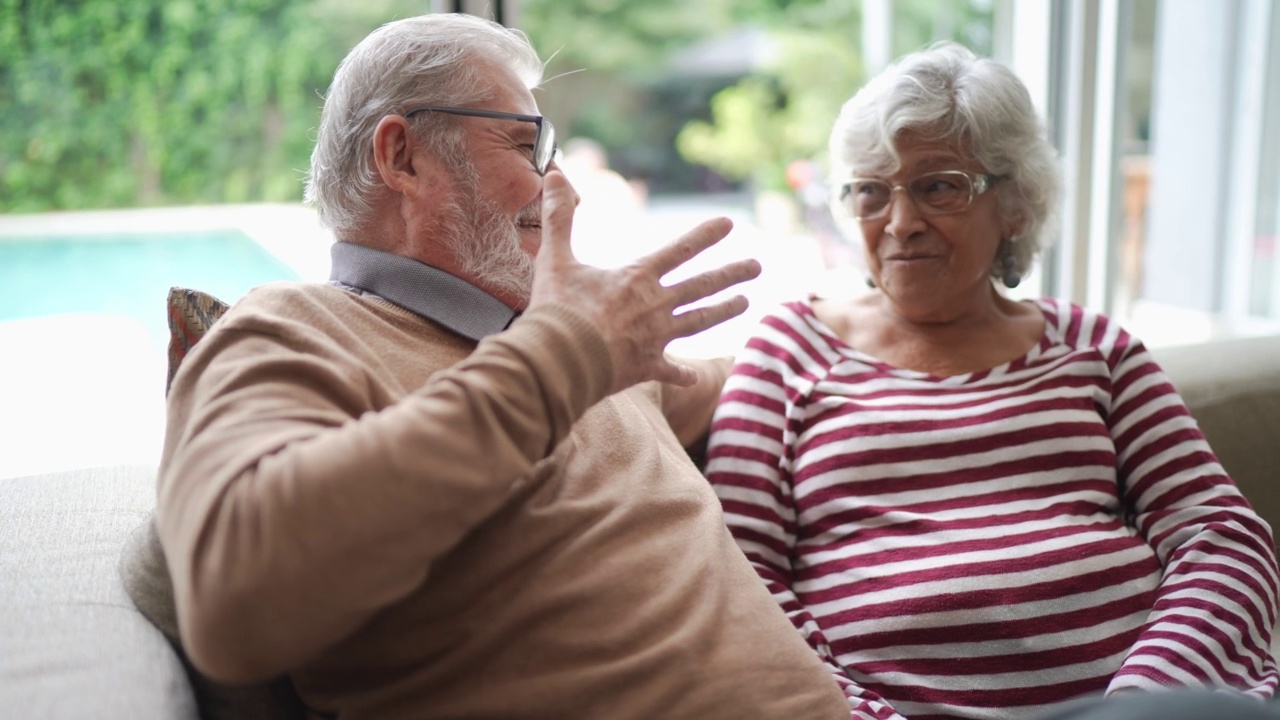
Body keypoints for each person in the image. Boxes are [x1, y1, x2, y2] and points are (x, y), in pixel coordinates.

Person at [153, 13, 852, 720]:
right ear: (403, 157)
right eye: (528, 146)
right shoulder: (291, 331)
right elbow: (231, 599)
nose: (561, 190)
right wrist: (560, 358)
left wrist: (862, 322)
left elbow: (749, 376)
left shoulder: (575, 350)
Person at [703, 42, 1279, 720]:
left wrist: (1147, 695)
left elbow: (1218, 534)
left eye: (938, 185)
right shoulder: (789, 350)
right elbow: (740, 576)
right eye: (870, 190)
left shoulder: (1094, 346)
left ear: (1016, 205)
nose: (900, 221)